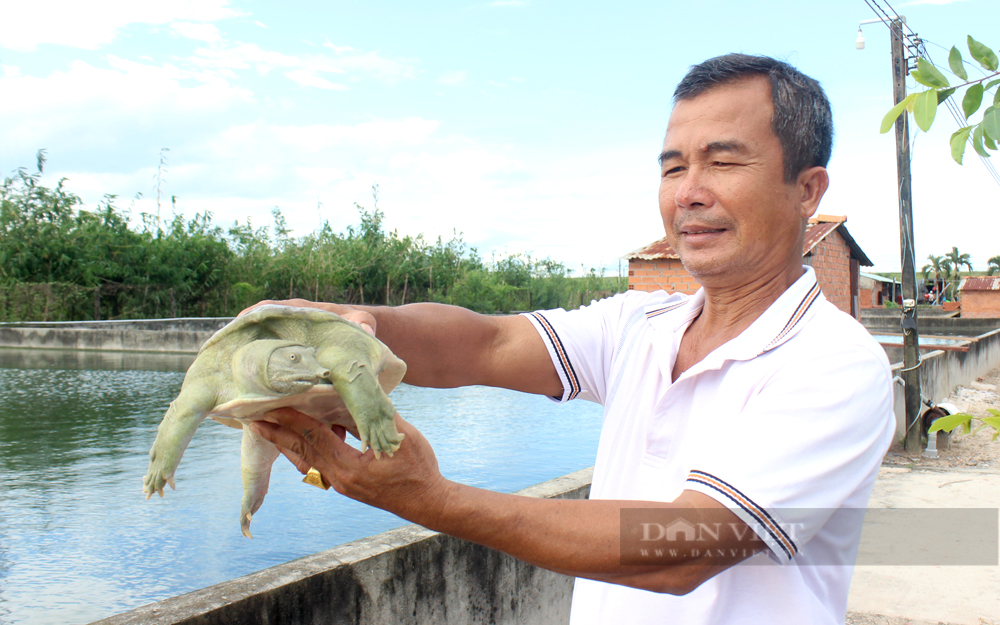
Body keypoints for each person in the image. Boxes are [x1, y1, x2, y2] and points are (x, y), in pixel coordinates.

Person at [249, 54, 895, 625]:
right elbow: (487, 342)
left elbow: (685, 547)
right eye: (673, 168)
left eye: (722, 161)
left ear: (807, 190)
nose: (689, 193)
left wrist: (433, 498)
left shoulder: (836, 363)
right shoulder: (641, 325)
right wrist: (349, 324)